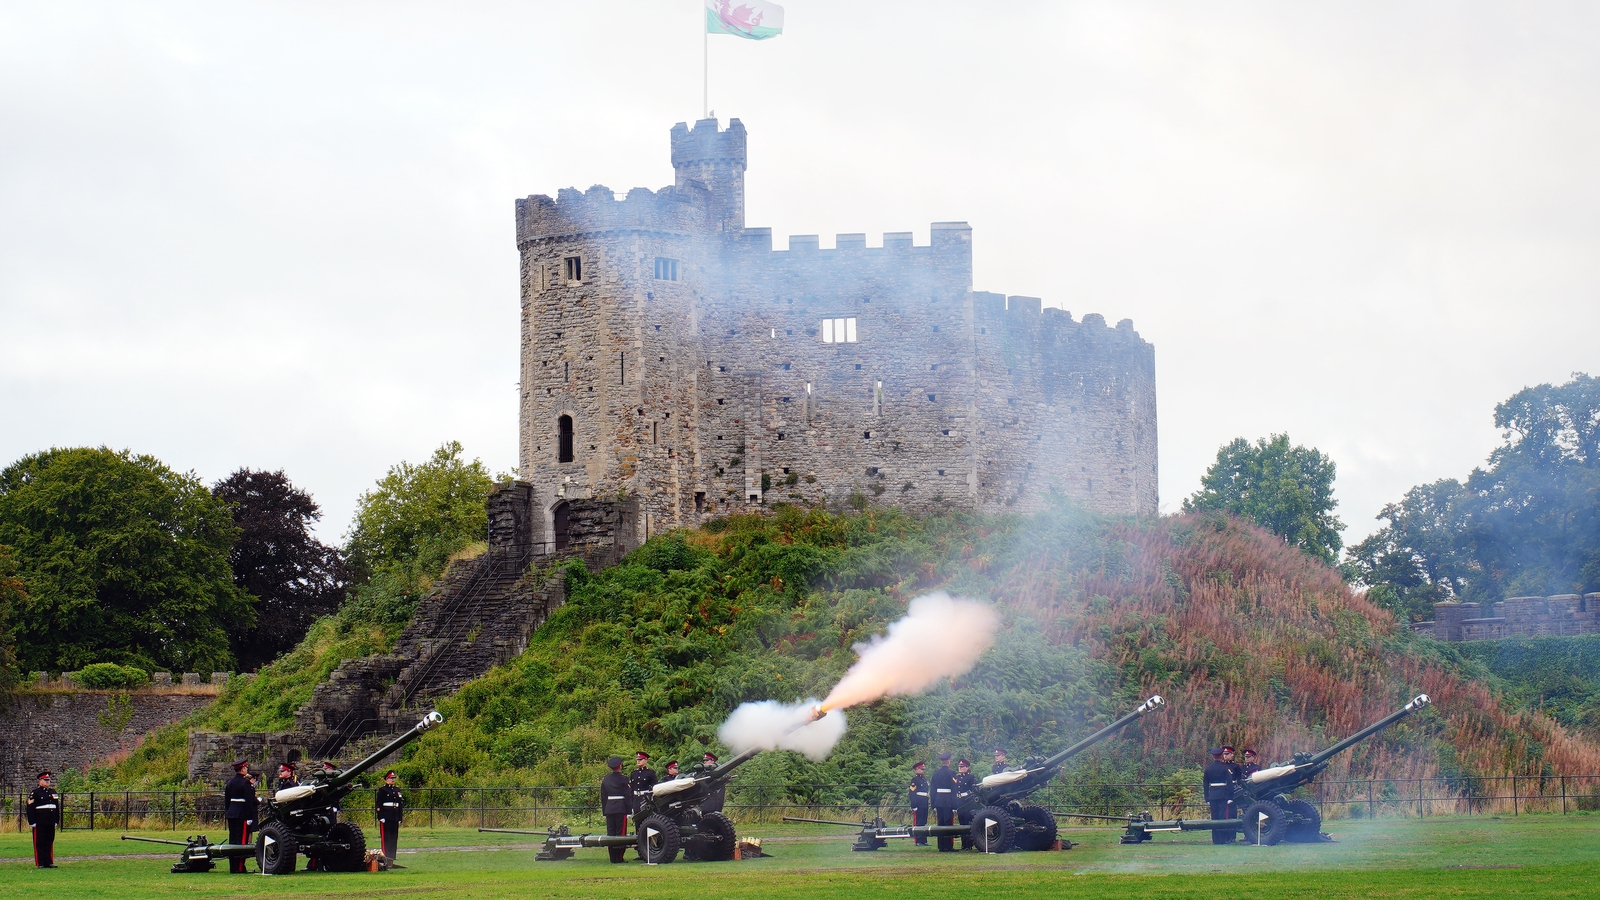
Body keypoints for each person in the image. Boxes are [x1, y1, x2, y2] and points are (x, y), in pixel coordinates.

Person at [223, 759, 256, 873]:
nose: (246, 769)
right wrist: (250, 817)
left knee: (233, 840)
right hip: (242, 814)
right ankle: (240, 867)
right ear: (242, 769)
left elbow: (227, 801)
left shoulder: (230, 782)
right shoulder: (245, 783)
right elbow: (249, 801)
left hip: (232, 813)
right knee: (242, 842)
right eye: (246, 768)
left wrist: (229, 811)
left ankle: (233, 867)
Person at [1203, 746, 1240, 844]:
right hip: (1223, 794)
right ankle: (1223, 838)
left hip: (1212, 794)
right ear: (1220, 756)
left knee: (1214, 817)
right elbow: (1229, 783)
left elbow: (1205, 784)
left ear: (1212, 756)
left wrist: (1207, 797)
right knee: (1222, 817)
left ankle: (1216, 839)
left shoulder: (1208, 769)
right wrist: (1230, 797)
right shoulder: (1225, 768)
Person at [600, 757, 632, 864]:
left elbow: (603, 797)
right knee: (620, 834)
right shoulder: (624, 779)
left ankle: (612, 857)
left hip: (609, 808)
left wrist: (604, 811)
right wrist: (628, 811)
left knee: (611, 834)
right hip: (620, 808)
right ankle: (619, 857)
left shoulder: (606, 779)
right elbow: (627, 796)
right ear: (620, 766)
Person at [27, 770, 61, 868]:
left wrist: (56, 820)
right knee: (39, 842)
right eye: (45, 780)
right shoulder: (35, 793)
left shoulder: (53, 792)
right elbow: (30, 808)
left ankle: (49, 861)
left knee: (49, 841)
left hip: (50, 821)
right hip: (40, 821)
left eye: (48, 780)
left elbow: (56, 808)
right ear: (40, 781)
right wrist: (32, 822)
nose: (47, 782)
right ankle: (40, 862)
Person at [930, 752, 959, 852]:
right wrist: (955, 805)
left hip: (938, 800)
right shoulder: (952, 773)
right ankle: (948, 846)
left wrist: (933, 803)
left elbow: (932, 790)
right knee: (948, 823)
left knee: (940, 823)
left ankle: (941, 846)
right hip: (948, 800)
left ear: (942, 762)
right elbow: (954, 790)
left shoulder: (936, 773)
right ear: (949, 761)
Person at [375, 769, 405, 862]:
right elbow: (378, 804)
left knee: (394, 836)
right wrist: (381, 816)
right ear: (386, 779)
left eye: (394, 778)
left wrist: (400, 817)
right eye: (391, 778)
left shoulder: (397, 789)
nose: (393, 780)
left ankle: (392, 855)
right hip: (386, 816)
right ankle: (386, 855)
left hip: (394, 816)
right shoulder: (383, 790)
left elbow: (399, 805)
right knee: (386, 837)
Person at [954, 758, 977, 850]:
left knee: (968, 822)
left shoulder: (970, 777)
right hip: (959, 801)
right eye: (959, 766)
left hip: (967, 801)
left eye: (962, 766)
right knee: (961, 822)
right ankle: (963, 844)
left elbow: (973, 790)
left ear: (967, 768)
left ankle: (969, 844)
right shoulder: (957, 777)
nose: (960, 768)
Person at [907, 761, 930, 846]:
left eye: (924, 769)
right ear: (917, 769)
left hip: (924, 801)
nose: (923, 770)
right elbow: (912, 793)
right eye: (921, 769)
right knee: (918, 822)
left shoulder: (924, 779)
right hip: (919, 801)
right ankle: (918, 840)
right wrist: (914, 805)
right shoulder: (915, 780)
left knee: (924, 821)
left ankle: (924, 839)